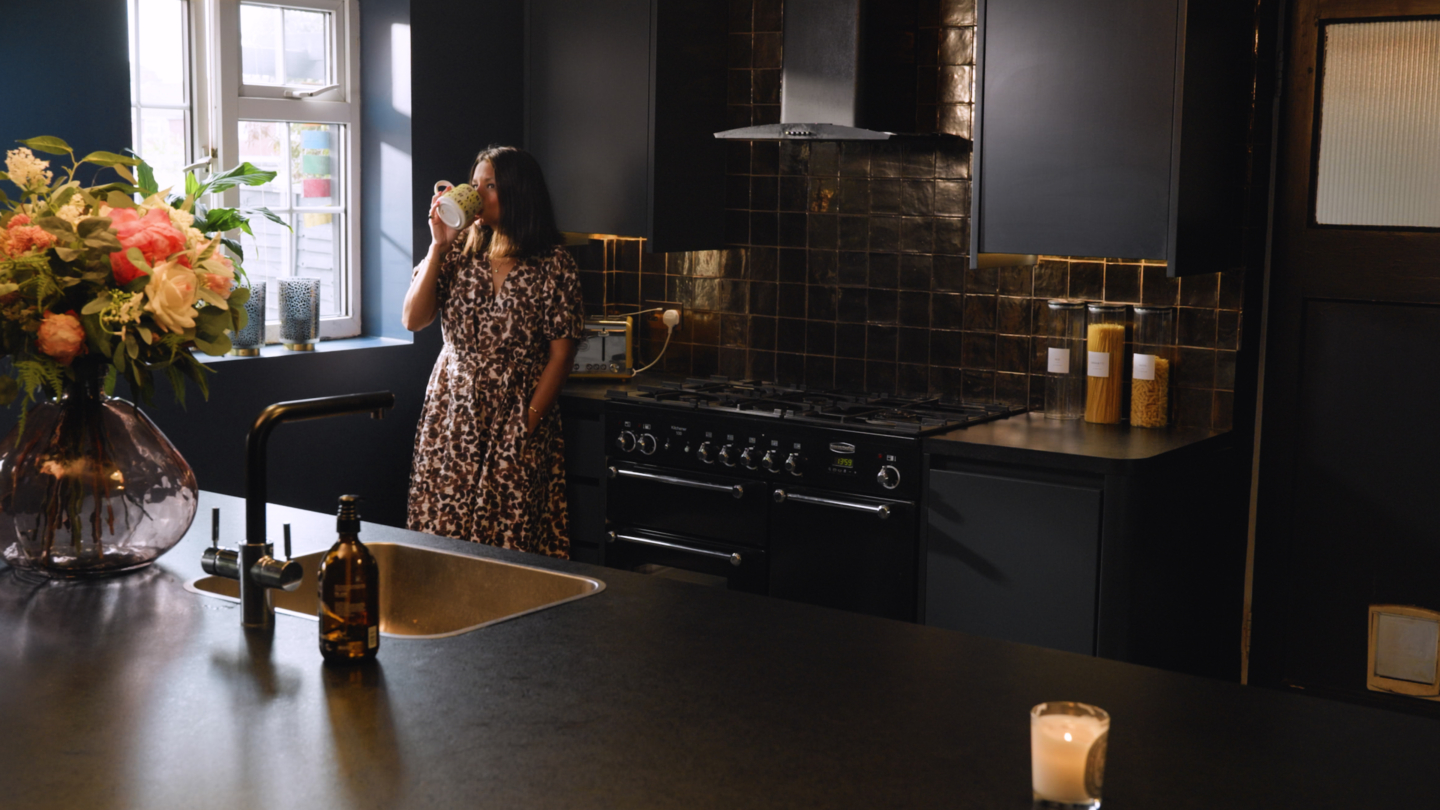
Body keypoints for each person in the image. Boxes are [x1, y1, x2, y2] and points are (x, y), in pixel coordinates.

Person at [402, 146, 583, 558]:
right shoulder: (457, 251)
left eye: (491, 186)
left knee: (510, 541)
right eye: (475, 184)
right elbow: (414, 319)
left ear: (519, 193)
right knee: (441, 537)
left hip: (517, 414)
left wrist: (528, 422)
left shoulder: (555, 264)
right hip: (453, 414)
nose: (479, 194)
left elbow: (561, 355)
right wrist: (437, 247)